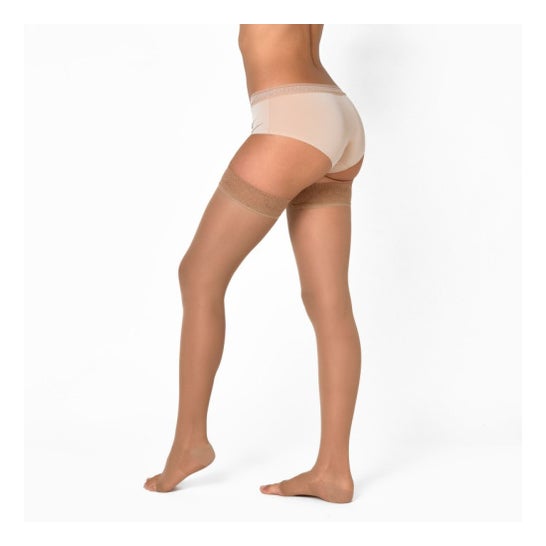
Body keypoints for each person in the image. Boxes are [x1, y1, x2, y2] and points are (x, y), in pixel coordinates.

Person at [144, 24, 365, 504]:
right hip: (337, 114)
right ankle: (333, 471)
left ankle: (190, 441)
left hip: (293, 119)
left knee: (199, 275)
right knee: (329, 302)